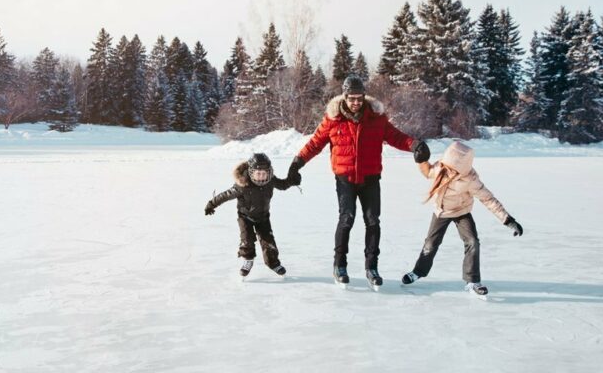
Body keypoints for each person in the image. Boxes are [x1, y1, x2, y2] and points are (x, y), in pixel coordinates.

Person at [288, 75, 431, 288]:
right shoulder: (333, 119)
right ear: (344, 97)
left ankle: (371, 267)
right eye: (351, 98)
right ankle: (340, 265)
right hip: (344, 178)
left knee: (373, 220)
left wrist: (415, 145)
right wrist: (297, 163)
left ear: (364, 97)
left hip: (371, 177)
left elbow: (396, 137)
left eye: (359, 98)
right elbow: (315, 143)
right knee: (347, 218)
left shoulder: (376, 118)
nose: (355, 102)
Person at [401, 140, 524, 296]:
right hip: (441, 212)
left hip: (462, 212)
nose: (446, 168)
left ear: (460, 166)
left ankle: (472, 281)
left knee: (472, 242)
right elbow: (428, 173)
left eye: (451, 166)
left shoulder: (470, 179)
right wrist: (421, 161)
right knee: (431, 244)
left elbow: (488, 199)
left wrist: (508, 220)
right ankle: (418, 272)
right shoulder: (441, 168)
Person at [205, 153, 300, 278]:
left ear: (269, 172)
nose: (261, 177)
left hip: (263, 217)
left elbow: (282, 185)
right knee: (247, 240)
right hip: (245, 217)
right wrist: (212, 204)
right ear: (251, 172)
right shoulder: (242, 185)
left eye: (264, 173)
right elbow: (226, 195)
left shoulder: (270, 181)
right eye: (258, 173)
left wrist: (292, 181)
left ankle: (273, 263)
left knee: (269, 241)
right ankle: (248, 260)